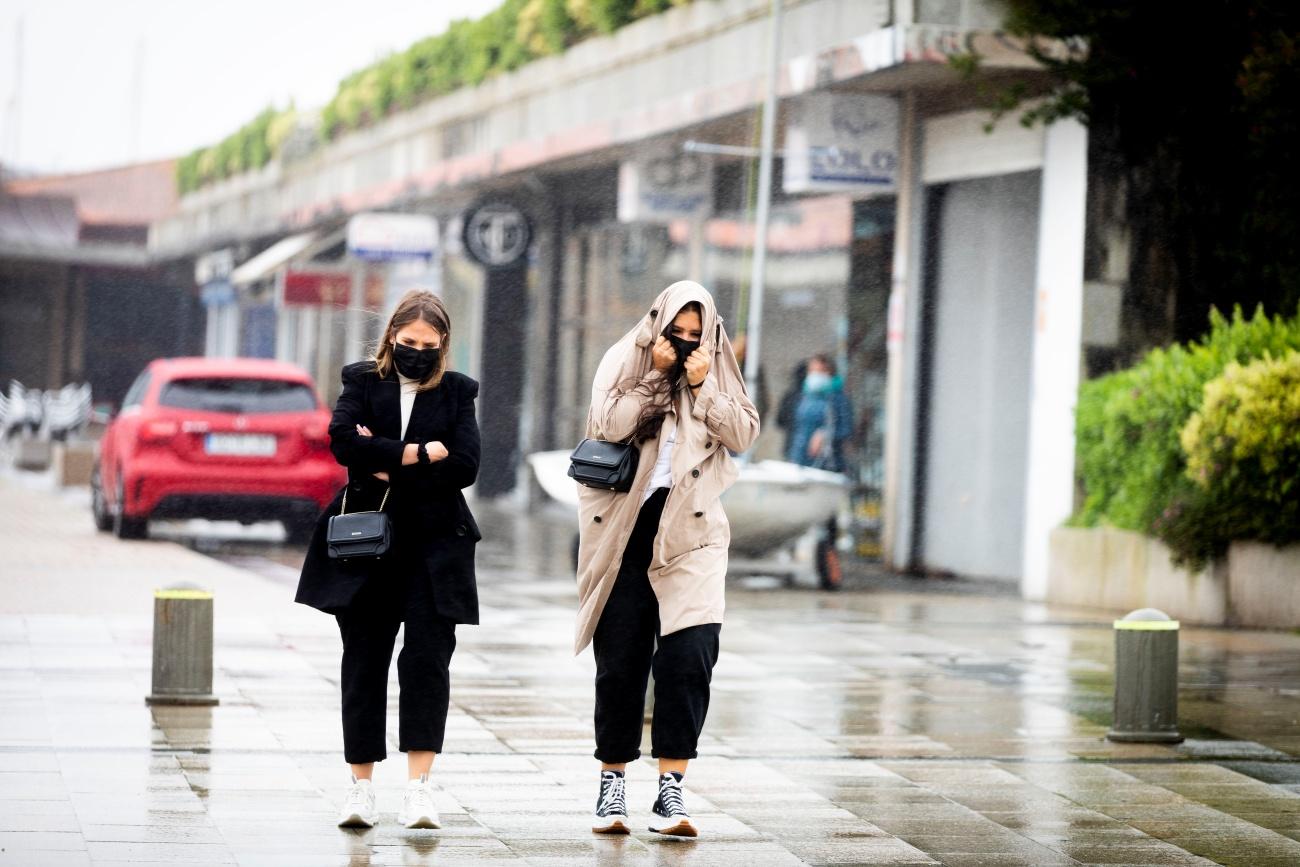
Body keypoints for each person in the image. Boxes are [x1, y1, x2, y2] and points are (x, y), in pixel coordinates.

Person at [575, 280, 759, 838]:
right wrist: (656, 374)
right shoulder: (623, 357)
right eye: (675, 333)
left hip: (694, 532)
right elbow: (609, 426)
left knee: (689, 658)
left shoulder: (717, 368)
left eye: (694, 336)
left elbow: (744, 433)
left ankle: (671, 789)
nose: (683, 343)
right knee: (622, 660)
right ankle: (612, 784)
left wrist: (704, 386)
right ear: (658, 323)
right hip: (625, 530)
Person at [295, 290, 481, 831]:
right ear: (391, 338)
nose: (416, 353)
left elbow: (466, 465)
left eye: (427, 345)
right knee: (364, 662)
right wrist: (419, 453)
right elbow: (340, 443)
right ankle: (360, 788)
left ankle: (419, 789)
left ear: (442, 344)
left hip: (434, 548)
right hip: (368, 544)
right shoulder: (361, 380)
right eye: (407, 343)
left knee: (426, 664)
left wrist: (382, 456)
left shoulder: (456, 391)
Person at [785, 354, 853, 473]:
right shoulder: (805, 396)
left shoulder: (838, 399)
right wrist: (793, 455)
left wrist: (825, 435)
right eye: (812, 371)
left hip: (828, 463)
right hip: (800, 460)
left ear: (829, 373)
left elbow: (846, 428)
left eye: (819, 371)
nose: (815, 375)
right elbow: (797, 428)